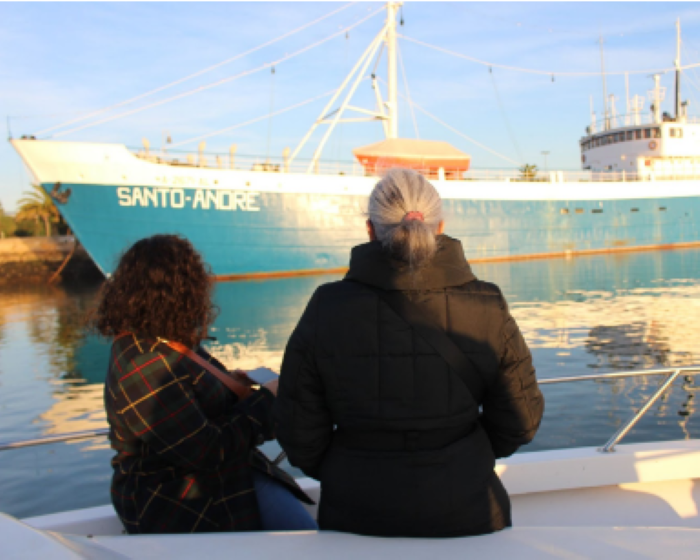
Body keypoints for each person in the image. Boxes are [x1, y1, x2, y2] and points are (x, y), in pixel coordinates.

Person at [274, 168, 544, 538]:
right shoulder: (487, 303)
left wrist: (347, 469)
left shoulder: (326, 307)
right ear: (439, 225)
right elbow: (521, 419)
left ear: (370, 229)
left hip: (356, 518)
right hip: (470, 513)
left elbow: (297, 431)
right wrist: (467, 457)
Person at [92, 234, 316, 534]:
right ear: (180, 290)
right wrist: (267, 401)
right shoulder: (144, 367)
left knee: (304, 534)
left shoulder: (161, 342)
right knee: (306, 542)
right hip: (180, 500)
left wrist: (232, 384)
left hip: (223, 478)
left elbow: (194, 405)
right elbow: (206, 451)